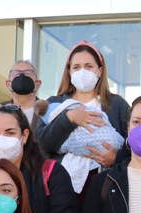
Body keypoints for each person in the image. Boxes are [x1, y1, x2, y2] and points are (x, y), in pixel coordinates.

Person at [37, 40, 130, 192]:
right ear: (69, 72)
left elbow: (132, 143)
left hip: (105, 187)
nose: (83, 72)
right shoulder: (54, 104)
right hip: (60, 186)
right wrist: (68, 119)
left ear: (99, 71)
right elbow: (41, 145)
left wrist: (116, 158)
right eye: (76, 67)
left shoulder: (117, 105)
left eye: (89, 66)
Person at [5, 60, 49, 132]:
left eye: (28, 74)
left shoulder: (49, 111)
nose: (22, 77)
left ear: (37, 84)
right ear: (8, 84)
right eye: (16, 74)